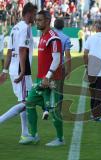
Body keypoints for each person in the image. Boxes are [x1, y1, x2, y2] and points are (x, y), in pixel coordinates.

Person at [20, 10, 64, 147]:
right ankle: (34, 135)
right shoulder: (42, 36)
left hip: (52, 81)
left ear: (47, 21)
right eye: (36, 20)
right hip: (41, 79)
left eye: (39, 20)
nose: (36, 22)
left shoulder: (53, 37)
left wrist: (48, 76)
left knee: (54, 110)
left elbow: (57, 59)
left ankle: (60, 139)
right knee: (30, 103)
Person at [0, 2, 37, 144]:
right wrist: (23, 72)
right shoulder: (25, 28)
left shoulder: (14, 28)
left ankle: (25, 133)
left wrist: (4, 70)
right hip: (21, 70)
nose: (35, 17)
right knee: (27, 101)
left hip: (14, 68)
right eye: (34, 14)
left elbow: (9, 51)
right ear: (28, 14)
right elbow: (22, 50)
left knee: (25, 101)